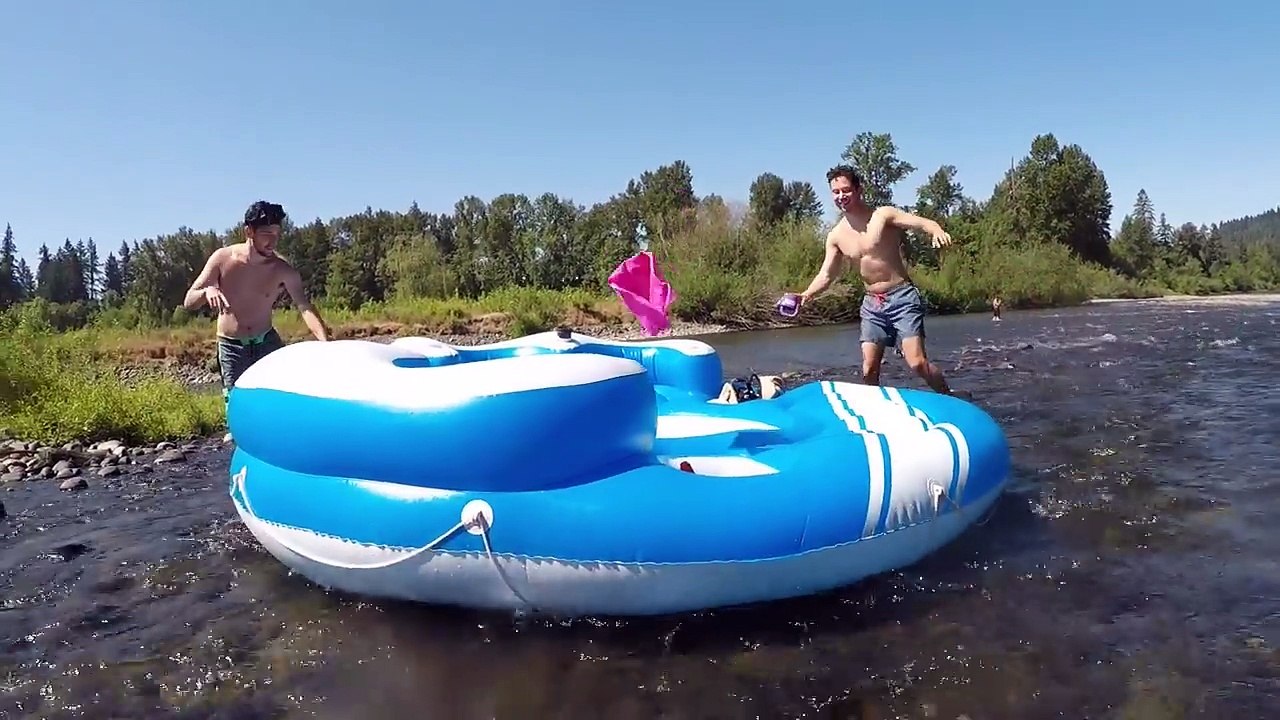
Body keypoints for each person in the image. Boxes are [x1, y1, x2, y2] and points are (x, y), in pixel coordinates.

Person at [792, 165, 955, 394]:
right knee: (869, 370)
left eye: (846, 190)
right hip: (872, 304)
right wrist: (805, 295)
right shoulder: (836, 235)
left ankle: (947, 396)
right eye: (836, 192)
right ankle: (874, 415)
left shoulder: (883, 216)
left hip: (902, 297)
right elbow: (826, 274)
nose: (841, 196)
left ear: (858, 190)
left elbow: (922, 223)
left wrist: (936, 230)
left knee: (916, 362)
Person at [184, 200, 331, 404]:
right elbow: (189, 301)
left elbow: (304, 306)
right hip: (232, 346)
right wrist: (207, 290)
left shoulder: (282, 269)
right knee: (236, 403)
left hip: (267, 342)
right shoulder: (222, 259)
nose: (273, 241)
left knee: (280, 398)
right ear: (249, 232)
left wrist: (325, 343)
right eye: (266, 234)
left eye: (277, 234)